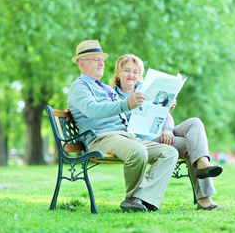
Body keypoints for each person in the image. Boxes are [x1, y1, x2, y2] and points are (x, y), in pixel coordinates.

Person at [67, 40, 179, 212]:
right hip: (101, 138)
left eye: (102, 60)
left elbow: (127, 113)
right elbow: (92, 110)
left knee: (169, 152)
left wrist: (161, 108)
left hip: (126, 136)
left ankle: (140, 199)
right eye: (96, 59)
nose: (101, 63)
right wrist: (126, 104)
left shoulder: (106, 88)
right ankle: (134, 199)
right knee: (138, 151)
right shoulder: (79, 86)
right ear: (82, 63)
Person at [110, 54, 223, 210]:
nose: (131, 75)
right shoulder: (112, 97)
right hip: (143, 142)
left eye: (135, 72)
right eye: (127, 70)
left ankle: (203, 164)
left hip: (162, 135)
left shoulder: (147, 90)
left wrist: (167, 126)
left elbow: (167, 117)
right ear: (118, 73)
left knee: (195, 123)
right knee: (192, 147)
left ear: (140, 76)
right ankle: (204, 198)